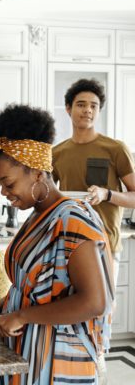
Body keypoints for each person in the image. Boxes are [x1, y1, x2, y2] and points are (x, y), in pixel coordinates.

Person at [0, 105, 114, 385]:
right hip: (27, 352)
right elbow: (30, 289)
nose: (4, 193)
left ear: (38, 173)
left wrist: (21, 316)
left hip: (58, 361)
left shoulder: (73, 220)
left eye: (8, 183)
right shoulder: (37, 216)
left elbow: (95, 302)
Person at [52, 78, 135, 284]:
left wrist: (106, 194)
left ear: (98, 111)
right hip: (68, 244)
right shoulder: (56, 153)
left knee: (101, 312)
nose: (88, 110)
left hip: (104, 243)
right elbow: (48, 196)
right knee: (68, 312)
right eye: (81, 104)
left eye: (93, 106)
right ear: (68, 109)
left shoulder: (115, 149)